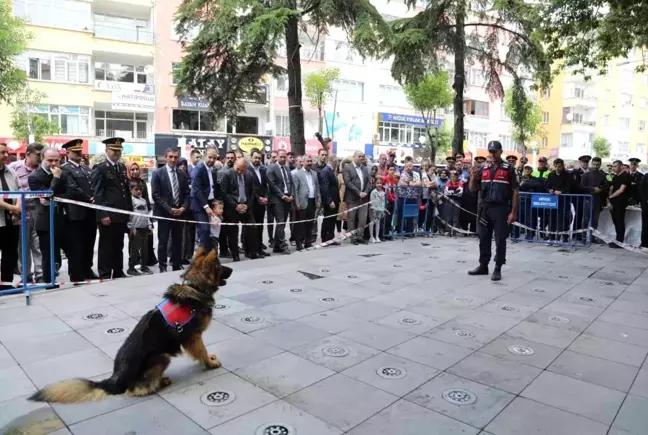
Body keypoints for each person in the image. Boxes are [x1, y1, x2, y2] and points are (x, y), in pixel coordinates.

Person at [468, 140, 519, 281]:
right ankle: (483, 265)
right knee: (483, 237)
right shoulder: (484, 168)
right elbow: (473, 189)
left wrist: (513, 212)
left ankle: (498, 268)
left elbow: (515, 191)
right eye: (490, 151)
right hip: (484, 207)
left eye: (495, 151)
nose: (492, 154)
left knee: (500, 238)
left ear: (500, 152)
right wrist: (473, 176)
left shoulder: (508, 168)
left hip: (501, 208)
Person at [91, 138, 132, 279]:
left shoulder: (121, 167)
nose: (116, 153)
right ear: (106, 151)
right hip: (108, 214)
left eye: (119, 150)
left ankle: (118, 271)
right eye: (113, 150)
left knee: (118, 244)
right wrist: (103, 214)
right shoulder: (100, 168)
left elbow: (125, 191)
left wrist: (129, 211)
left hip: (121, 214)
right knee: (106, 245)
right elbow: (97, 192)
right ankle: (105, 272)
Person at [28, 147, 67, 286]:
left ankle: (60, 271)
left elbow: (65, 194)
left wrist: (52, 193)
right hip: (44, 220)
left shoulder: (62, 172)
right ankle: (49, 280)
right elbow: (47, 194)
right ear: (42, 159)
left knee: (62, 251)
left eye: (56, 160)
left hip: (61, 217)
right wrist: (56, 178)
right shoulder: (34, 176)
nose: (53, 163)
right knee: (48, 252)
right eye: (50, 160)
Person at [61, 139, 98, 281]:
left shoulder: (86, 168)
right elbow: (72, 188)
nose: (78, 154)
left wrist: (94, 197)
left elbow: (93, 185)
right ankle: (76, 273)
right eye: (75, 152)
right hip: (76, 213)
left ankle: (87, 269)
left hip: (90, 212)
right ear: (68, 152)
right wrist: (89, 198)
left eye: (79, 151)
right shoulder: (65, 169)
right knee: (76, 244)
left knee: (90, 242)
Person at [9, 143, 44, 283]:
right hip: (20, 213)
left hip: (38, 212)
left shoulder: (42, 169)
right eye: (37, 155)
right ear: (28, 154)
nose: (40, 158)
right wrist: (12, 209)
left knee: (38, 245)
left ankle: (40, 275)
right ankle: (26, 276)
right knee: (23, 246)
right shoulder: (14, 167)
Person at [152, 148, 190, 272]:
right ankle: (162, 266)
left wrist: (183, 207)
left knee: (177, 240)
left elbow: (187, 194)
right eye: (170, 157)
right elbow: (156, 195)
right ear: (165, 157)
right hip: (165, 213)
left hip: (179, 213)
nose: (173, 159)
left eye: (175, 157)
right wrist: (169, 209)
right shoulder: (158, 173)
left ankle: (176, 263)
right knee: (163, 241)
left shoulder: (182, 174)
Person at [221, 157, 259, 260]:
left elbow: (252, 192)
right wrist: (235, 206)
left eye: (242, 170)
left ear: (246, 168)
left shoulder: (249, 175)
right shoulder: (227, 174)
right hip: (232, 207)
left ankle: (251, 252)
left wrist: (248, 205)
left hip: (246, 206)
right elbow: (224, 193)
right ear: (234, 165)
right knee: (233, 231)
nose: (239, 172)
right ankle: (235, 254)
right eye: (238, 169)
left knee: (252, 228)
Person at [190, 145, 220, 252]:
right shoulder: (199, 169)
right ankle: (200, 258)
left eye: (214, 158)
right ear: (205, 156)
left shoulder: (212, 170)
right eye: (210, 157)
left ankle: (208, 255)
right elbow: (196, 190)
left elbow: (212, 188)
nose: (212, 160)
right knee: (205, 230)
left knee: (212, 231)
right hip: (199, 205)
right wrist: (206, 206)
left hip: (210, 203)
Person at [126, 161, 156, 267]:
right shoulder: (126, 182)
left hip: (144, 217)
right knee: (134, 243)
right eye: (132, 169)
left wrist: (149, 221)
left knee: (146, 243)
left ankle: (145, 263)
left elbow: (146, 200)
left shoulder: (142, 182)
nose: (135, 171)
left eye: (136, 169)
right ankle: (134, 264)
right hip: (133, 221)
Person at [0, 142, 21, 290]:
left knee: (10, 254)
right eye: (2, 152)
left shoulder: (11, 172)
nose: (6, 155)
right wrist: (13, 208)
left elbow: (20, 191)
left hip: (12, 221)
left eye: (6, 152)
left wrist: (17, 209)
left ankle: (6, 284)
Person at [267, 149, 294, 254]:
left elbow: (290, 182)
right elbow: (272, 185)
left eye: (284, 157)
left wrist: (291, 194)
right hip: (277, 199)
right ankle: (283, 244)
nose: (283, 159)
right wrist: (282, 196)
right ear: (277, 157)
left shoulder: (287, 169)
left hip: (288, 198)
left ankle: (276, 245)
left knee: (281, 223)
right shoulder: (271, 168)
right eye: (281, 157)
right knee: (281, 222)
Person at [293, 155, 321, 250]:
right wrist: (296, 203)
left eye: (311, 161)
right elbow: (295, 190)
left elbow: (317, 188)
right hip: (302, 203)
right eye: (308, 161)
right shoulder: (297, 174)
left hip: (312, 201)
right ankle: (299, 243)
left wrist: (318, 200)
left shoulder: (314, 174)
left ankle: (308, 242)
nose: (309, 163)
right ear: (303, 162)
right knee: (301, 224)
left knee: (310, 223)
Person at [343, 151, 371, 244]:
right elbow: (348, 182)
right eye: (359, 156)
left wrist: (365, 192)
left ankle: (360, 236)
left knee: (363, 218)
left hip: (364, 198)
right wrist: (358, 192)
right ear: (354, 157)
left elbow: (368, 182)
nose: (361, 158)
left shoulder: (365, 168)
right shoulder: (347, 167)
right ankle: (353, 237)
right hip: (352, 197)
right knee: (351, 218)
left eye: (362, 156)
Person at [127, 181, 153, 276]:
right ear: (130, 190)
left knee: (144, 249)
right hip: (135, 228)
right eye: (136, 189)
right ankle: (131, 267)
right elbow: (129, 215)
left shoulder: (144, 200)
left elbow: (147, 214)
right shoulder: (130, 200)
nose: (138, 191)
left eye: (140, 189)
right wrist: (131, 227)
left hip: (144, 227)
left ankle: (144, 266)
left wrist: (149, 224)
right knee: (134, 249)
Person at [545, 158, 574, 244]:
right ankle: (551, 237)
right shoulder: (551, 174)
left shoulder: (568, 175)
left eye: (559, 166)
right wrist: (549, 190)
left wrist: (561, 192)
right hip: (553, 201)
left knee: (563, 219)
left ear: (563, 166)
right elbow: (547, 185)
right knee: (552, 219)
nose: (557, 168)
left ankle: (562, 238)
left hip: (563, 200)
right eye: (556, 166)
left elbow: (570, 187)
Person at [580, 157, 609, 238]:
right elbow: (581, 186)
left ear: (600, 165)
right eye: (594, 164)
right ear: (591, 164)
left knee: (595, 220)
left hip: (598, 200)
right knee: (585, 219)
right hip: (588, 200)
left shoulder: (602, 175)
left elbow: (606, 186)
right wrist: (592, 189)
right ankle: (583, 236)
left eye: (597, 165)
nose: (595, 166)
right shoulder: (586, 175)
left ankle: (593, 237)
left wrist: (600, 189)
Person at [247, 149, 269, 254]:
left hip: (262, 203)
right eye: (255, 157)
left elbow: (265, 186)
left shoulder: (263, 170)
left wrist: (265, 196)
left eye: (259, 158)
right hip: (252, 203)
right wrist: (258, 197)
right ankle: (252, 250)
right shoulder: (247, 170)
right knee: (252, 228)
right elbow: (250, 188)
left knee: (260, 226)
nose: (257, 160)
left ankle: (259, 248)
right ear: (251, 157)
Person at [608, 160, 632, 248]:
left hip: (621, 202)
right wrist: (609, 197)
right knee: (615, 221)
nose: (613, 168)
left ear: (621, 166)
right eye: (613, 166)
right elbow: (612, 187)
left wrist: (611, 197)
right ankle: (617, 239)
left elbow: (621, 190)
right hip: (614, 202)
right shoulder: (615, 177)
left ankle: (620, 241)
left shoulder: (626, 176)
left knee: (619, 221)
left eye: (615, 166)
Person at [319, 154, 339, 244]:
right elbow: (325, 187)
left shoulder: (331, 171)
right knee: (327, 219)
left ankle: (331, 237)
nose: (337, 164)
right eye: (337, 161)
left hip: (335, 199)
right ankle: (325, 238)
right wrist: (329, 200)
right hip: (330, 200)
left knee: (332, 219)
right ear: (333, 161)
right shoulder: (326, 171)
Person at [444, 170, 464, 235]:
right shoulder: (448, 183)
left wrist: (451, 192)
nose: (452, 177)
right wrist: (454, 192)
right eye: (451, 176)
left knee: (456, 216)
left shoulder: (460, 183)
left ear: (457, 177)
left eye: (454, 176)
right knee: (448, 215)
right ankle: (448, 230)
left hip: (457, 201)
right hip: (449, 200)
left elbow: (460, 193)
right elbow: (446, 192)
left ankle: (455, 230)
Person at [369, 177, 387, 243]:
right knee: (372, 223)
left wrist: (383, 209)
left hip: (380, 210)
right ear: (375, 184)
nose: (379, 184)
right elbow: (371, 202)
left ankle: (377, 236)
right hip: (373, 210)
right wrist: (373, 210)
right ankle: (371, 237)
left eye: (380, 183)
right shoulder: (373, 192)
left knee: (378, 223)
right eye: (377, 183)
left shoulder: (383, 192)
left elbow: (383, 202)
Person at [337, 159, 349, 234]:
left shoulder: (351, 176)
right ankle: (338, 232)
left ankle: (346, 231)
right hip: (341, 199)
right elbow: (337, 188)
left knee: (348, 217)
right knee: (339, 217)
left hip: (349, 200)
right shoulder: (340, 176)